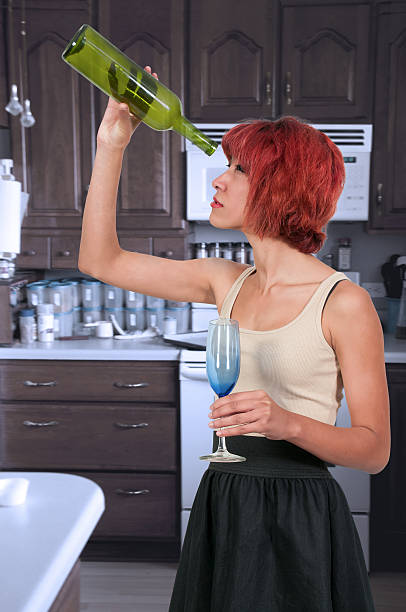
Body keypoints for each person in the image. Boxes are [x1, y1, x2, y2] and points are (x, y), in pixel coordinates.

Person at [78, 66, 390, 612]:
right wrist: (112, 144)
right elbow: (100, 260)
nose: (218, 180)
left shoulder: (344, 302)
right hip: (225, 497)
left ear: (279, 186)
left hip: (300, 510)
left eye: (237, 170)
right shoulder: (225, 279)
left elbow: (374, 450)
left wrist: (284, 422)